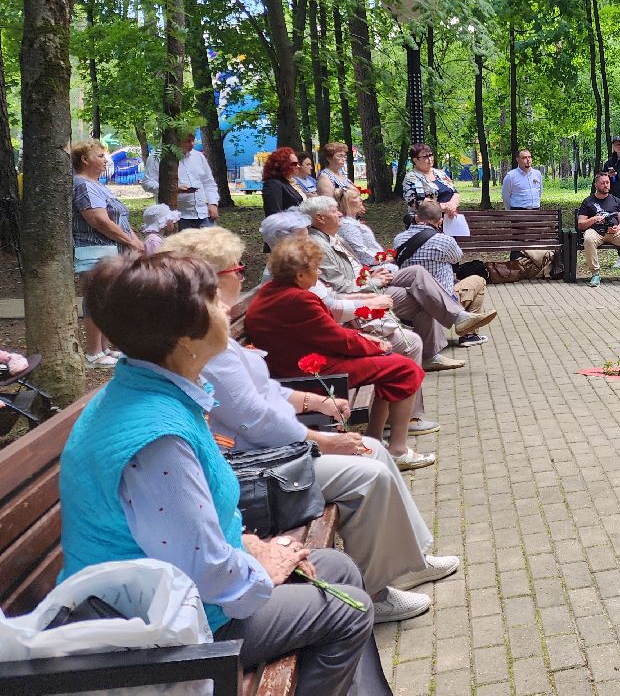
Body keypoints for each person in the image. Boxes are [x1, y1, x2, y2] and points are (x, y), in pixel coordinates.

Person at [59, 252, 439, 696]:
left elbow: (186, 531)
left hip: (164, 601)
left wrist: (256, 546)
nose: (226, 308)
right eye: (212, 300)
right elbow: (209, 573)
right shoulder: (158, 437)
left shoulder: (153, 393)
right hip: (159, 631)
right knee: (348, 609)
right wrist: (263, 565)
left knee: (335, 569)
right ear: (186, 335)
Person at [160, 227, 459, 626]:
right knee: (368, 471)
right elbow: (256, 419)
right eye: (237, 268)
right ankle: (377, 590)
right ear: (212, 280)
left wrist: (313, 402)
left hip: (268, 451)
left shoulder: (213, 336)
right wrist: (323, 440)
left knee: (374, 451)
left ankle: (411, 560)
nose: (244, 274)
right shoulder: (205, 346)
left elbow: (264, 391)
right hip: (262, 463)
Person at [244, 235, 433, 471]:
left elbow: (327, 333)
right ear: (300, 275)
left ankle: (374, 439)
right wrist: (374, 345)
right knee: (405, 368)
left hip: (298, 364)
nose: (318, 274)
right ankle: (398, 450)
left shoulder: (273, 292)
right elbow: (336, 339)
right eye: (316, 269)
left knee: (391, 364)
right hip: (309, 373)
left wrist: (369, 342)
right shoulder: (297, 299)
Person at [300, 196, 490, 372]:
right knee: (425, 296)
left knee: (418, 274)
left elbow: (354, 270)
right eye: (334, 211)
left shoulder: (335, 238)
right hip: (360, 295)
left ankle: (448, 331)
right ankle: (442, 339)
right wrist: (374, 280)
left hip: (369, 282)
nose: (340, 213)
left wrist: (372, 273)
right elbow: (340, 287)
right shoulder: (319, 245)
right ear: (320, 218)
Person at [71, 139, 144, 368]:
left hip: (110, 250)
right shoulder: (82, 184)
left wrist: (134, 240)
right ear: (85, 159)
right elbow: (99, 220)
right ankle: (93, 353)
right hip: (95, 251)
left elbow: (118, 218)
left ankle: (104, 348)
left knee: (106, 299)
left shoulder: (97, 184)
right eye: (101, 156)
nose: (106, 160)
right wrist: (130, 241)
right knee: (96, 299)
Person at [395, 200, 491, 316]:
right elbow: (456, 259)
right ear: (440, 221)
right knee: (478, 281)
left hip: (411, 301)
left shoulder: (399, 239)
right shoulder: (445, 240)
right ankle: (469, 325)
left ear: (416, 217)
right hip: (441, 302)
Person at [578, 173, 620, 287]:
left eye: (607, 182)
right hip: (595, 232)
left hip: (613, 232)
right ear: (596, 185)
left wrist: (617, 228)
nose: (606, 185)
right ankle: (595, 274)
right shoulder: (588, 201)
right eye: (603, 183)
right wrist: (593, 219)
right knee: (588, 238)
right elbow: (581, 224)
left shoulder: (616, 200)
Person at [402, 144, 459, 225]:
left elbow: (455, 192)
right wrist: (443, 207)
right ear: (415, 160)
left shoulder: (440, 173)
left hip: (449, 221)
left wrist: (452, 205)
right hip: (426, 223)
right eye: (425, 157)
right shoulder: (411, 177)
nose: (430, 159)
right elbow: (416, 202)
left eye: (431, 155)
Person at [261, 146, 305, 216]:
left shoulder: (288, 182)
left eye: (298, 163)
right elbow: (274, 213)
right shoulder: (273, 184)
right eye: (294, 164)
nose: (298, 166)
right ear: (283, 165)